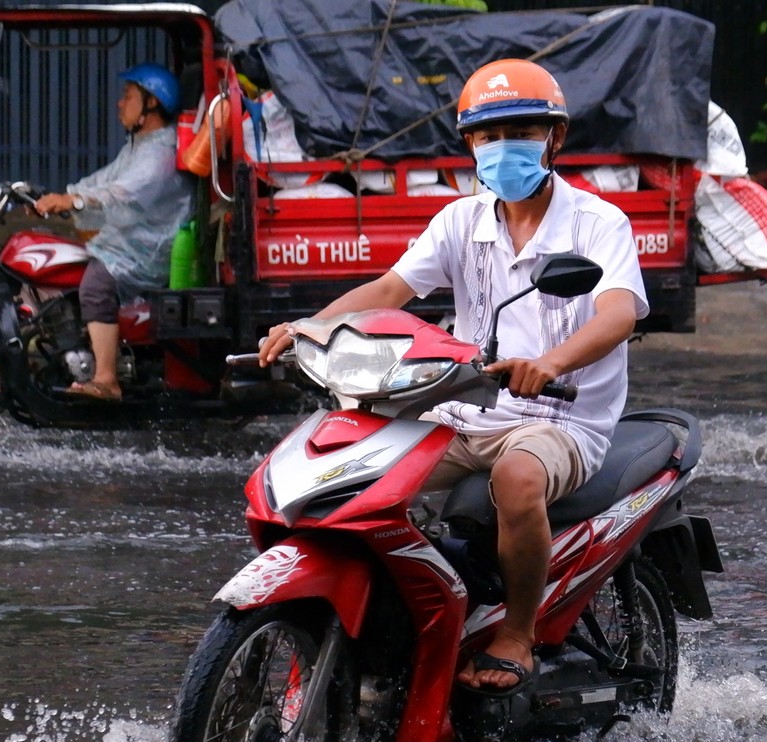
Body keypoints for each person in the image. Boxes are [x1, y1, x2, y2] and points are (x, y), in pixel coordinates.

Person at [258, 60, 646, 693]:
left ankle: (517, 632)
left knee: (517, 478)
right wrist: (308, 327)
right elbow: (390, 289)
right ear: (469, 144)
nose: (502, 147)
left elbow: (618, 314)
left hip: (560, 417)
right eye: (488, 135)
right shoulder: (458, 222)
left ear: (554, 138)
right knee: (350, 477)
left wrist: (549, 363)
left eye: (521, 131)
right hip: (465, 408)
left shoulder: (598, 224)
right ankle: (395, 616)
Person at [34, 63, 193, 401]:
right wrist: (59, 196)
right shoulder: (141, 145)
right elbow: (103, 180)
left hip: (146, 253)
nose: (120, 103)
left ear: (151, 103)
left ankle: (106, 380)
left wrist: (72, 200)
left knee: (96, 284)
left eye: (128, 96)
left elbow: (122, 192)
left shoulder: (160, 153)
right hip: (129, 244)